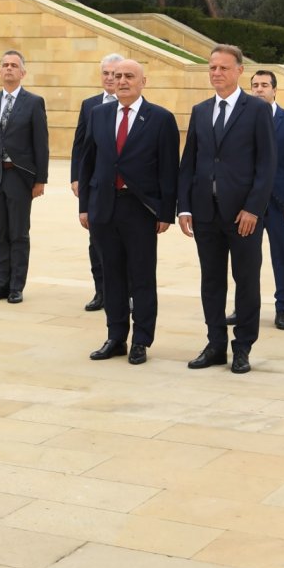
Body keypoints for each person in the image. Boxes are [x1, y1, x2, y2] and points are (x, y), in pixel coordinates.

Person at [179, 45, 274, 374]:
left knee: (246, 281)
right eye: (212, 67)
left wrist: (253, 209)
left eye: (223, 67)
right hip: (205, 213)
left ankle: (243, 346)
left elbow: (267, 164)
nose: (216, 73)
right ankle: (215, 344)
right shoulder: (200, 111)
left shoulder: (257, 110)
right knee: (211, 281)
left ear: (239, 71)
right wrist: (184, 207)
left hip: (243, 216)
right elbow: (189, 161)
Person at [77, 59, 180, 364]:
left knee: (142, 276)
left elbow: (169, 170)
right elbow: (87, 163)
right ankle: (116, 337)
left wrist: (165, 212)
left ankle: (141, 340)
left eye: (129, 76)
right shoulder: (98, 114)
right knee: (112, 276)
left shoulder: (160, 118)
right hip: (104, 208)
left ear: (143, 82)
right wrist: (85, 206)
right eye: (117, 75)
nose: (122, 81)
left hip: (140, 209)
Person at [0, 50, 49, 304]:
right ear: (0, 71)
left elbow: (41, 144)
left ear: (22, 73)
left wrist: (40, 180)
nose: (9, 68)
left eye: (14, 65)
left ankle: (17, 286)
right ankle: (1, 284)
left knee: (18, 233)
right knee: (0, 234)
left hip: (19, 176)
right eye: (5, 65)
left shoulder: (34, 102)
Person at [246, 70, 284, 330]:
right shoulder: (242, 119)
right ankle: (245, 308)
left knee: (282, 257)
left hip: (280, 204)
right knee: (247, 259)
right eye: (255, 85)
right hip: (248, 204)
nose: (259, 89)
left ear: (274, 90)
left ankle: (283, 308)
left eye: (264, 85)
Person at [71, 53, 124, 310]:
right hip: (96, 187)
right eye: (106, 73)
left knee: (124, 243)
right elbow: (80, 146)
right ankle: (101, 292)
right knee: (97, 242)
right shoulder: (89, 105)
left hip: (125, 189)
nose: (111, 78)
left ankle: (126, 293)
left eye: (115, 74)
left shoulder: (135, 106)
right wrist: (76, 177)